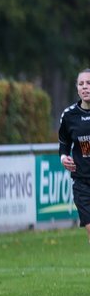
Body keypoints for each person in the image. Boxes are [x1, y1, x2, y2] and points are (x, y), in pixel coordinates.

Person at [59, 69, 90, 246]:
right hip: (82, 184)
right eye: (81, 84)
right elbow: (63, 143)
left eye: (89, 83)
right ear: (77, 88)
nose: (85, 87)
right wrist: (64, 157)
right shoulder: (69, 116)